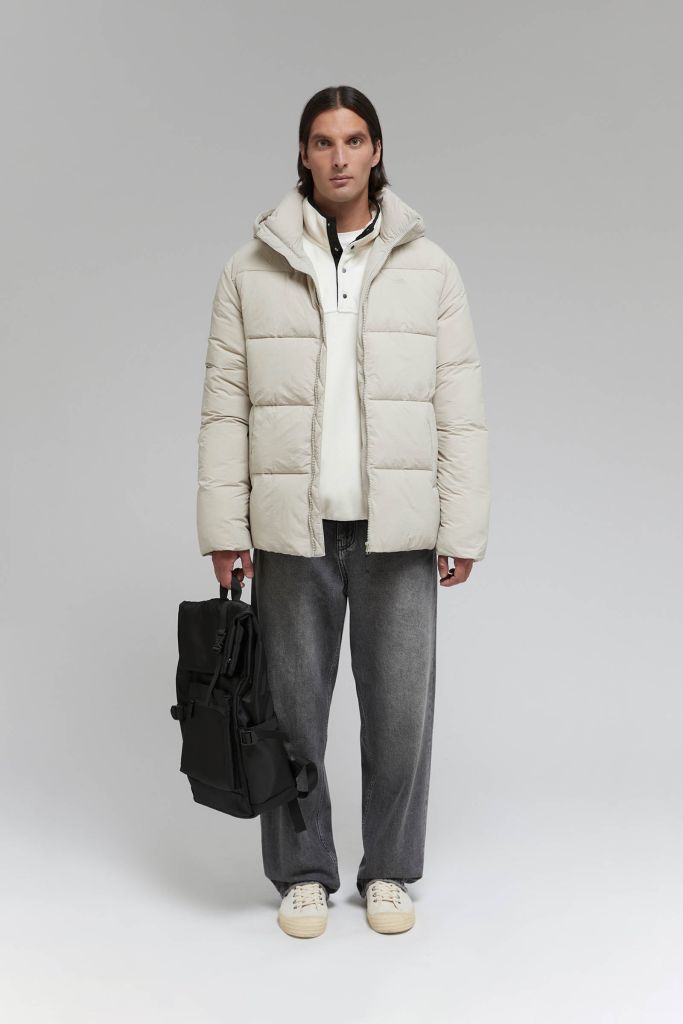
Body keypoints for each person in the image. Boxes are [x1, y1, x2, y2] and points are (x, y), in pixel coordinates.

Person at [196, 85, 491, 938]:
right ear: (302, 154)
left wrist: (461, 525)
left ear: (376, 150)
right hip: (291, 528)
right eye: (322, 142)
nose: (338, 157)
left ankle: (389, 871)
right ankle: (302, 873)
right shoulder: (248, 269)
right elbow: (224, 408)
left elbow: (458, 407)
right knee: (291, 714)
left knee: (400, 716)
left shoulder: (430, 270)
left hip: (398, 527)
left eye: (353, 140)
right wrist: (224, 530)